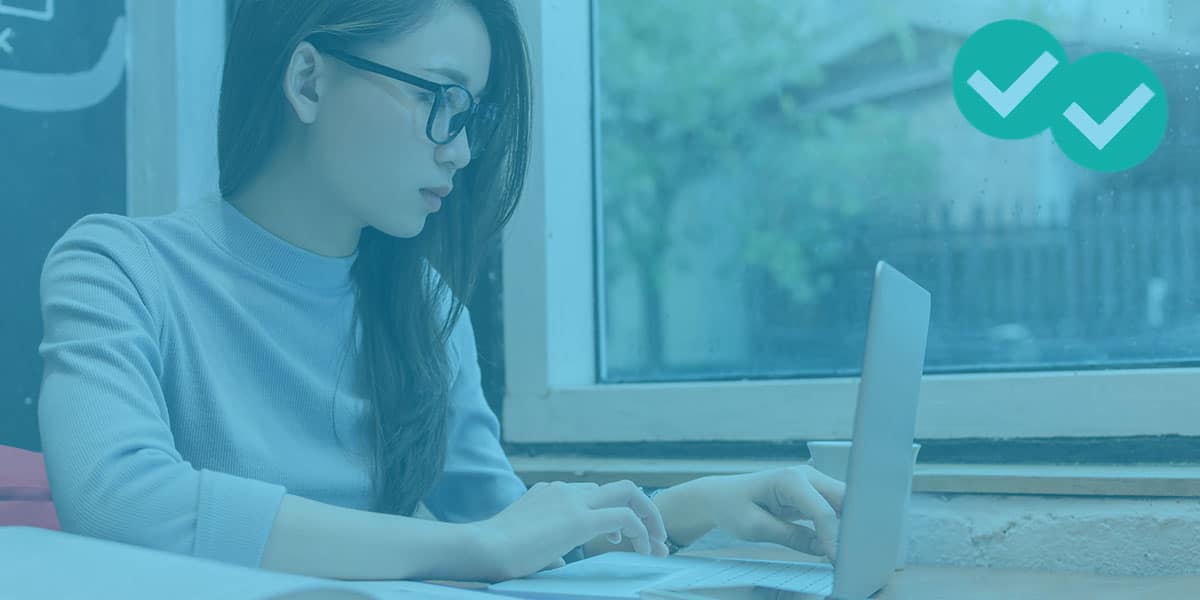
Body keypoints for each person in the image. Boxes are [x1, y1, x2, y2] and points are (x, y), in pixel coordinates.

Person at [36, 0, 844, 583]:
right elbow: (121, 504)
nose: (459, 153)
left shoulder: (422, 307)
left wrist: (700, 506)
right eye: (439, 100)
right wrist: (466, 549)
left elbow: (511, 533)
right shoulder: (118, 268)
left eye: (474, 117)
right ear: (310, 81)